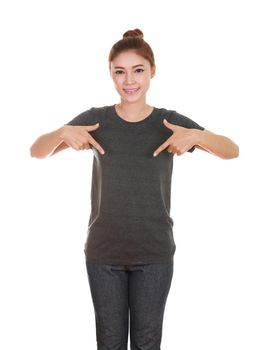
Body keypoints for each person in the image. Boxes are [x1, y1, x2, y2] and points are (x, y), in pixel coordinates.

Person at [30, 28, 239, 350]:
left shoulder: (168, 122)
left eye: (138, 70)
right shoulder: (95, 119)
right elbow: (37, 151)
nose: (129, 81)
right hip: (104, 253)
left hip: (154, 253)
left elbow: (231, 149)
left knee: (147, 343)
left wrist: (196, 137)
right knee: (110, 343)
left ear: (152, 71)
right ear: (111, 75)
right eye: (120, 72)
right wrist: (62, 131)